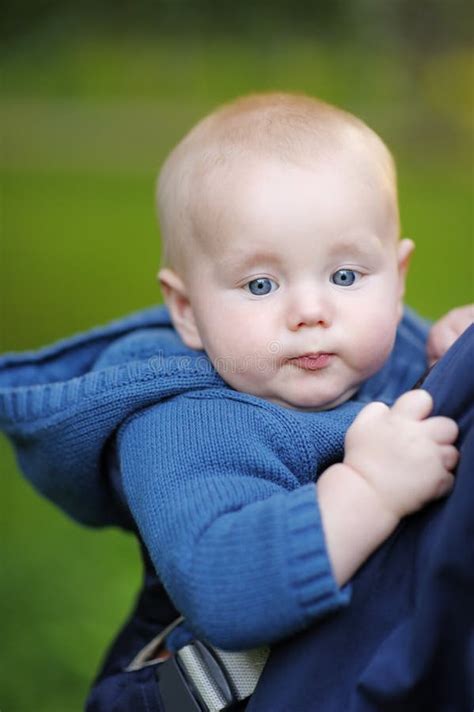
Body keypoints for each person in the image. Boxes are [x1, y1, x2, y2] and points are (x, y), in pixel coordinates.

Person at [0, 93, 471, 711]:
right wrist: (370, 489)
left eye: (347, 276)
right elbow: (223, 586)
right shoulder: (183, 423)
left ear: (398, 275)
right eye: (260, 284)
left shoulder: (385, 349)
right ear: (188, 311)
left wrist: (449, 356)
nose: (310, 312)